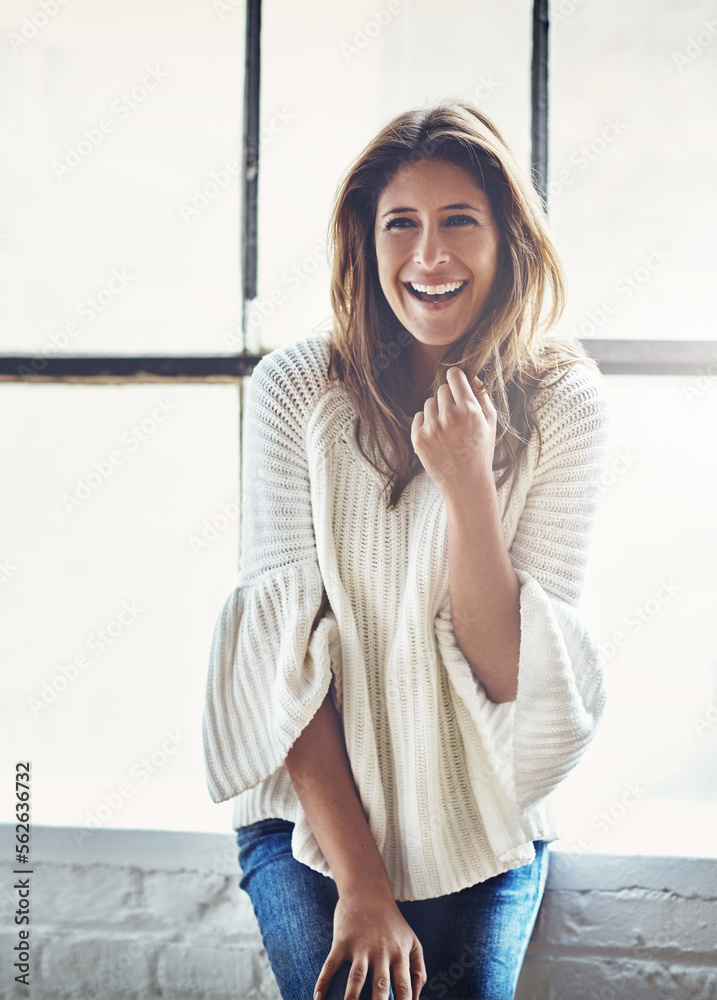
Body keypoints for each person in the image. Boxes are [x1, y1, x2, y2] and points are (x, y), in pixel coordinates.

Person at [202, 100, 610, 1000]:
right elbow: (285, 662)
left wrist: (467, 483)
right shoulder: (296, 389)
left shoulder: (564, 403)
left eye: (458, 221)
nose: (428, 256)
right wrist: (363, 885)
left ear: (507, 238)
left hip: (481, 818)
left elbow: (511, 676)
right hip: (315, 823)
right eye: (401, 224)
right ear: (367, 240)